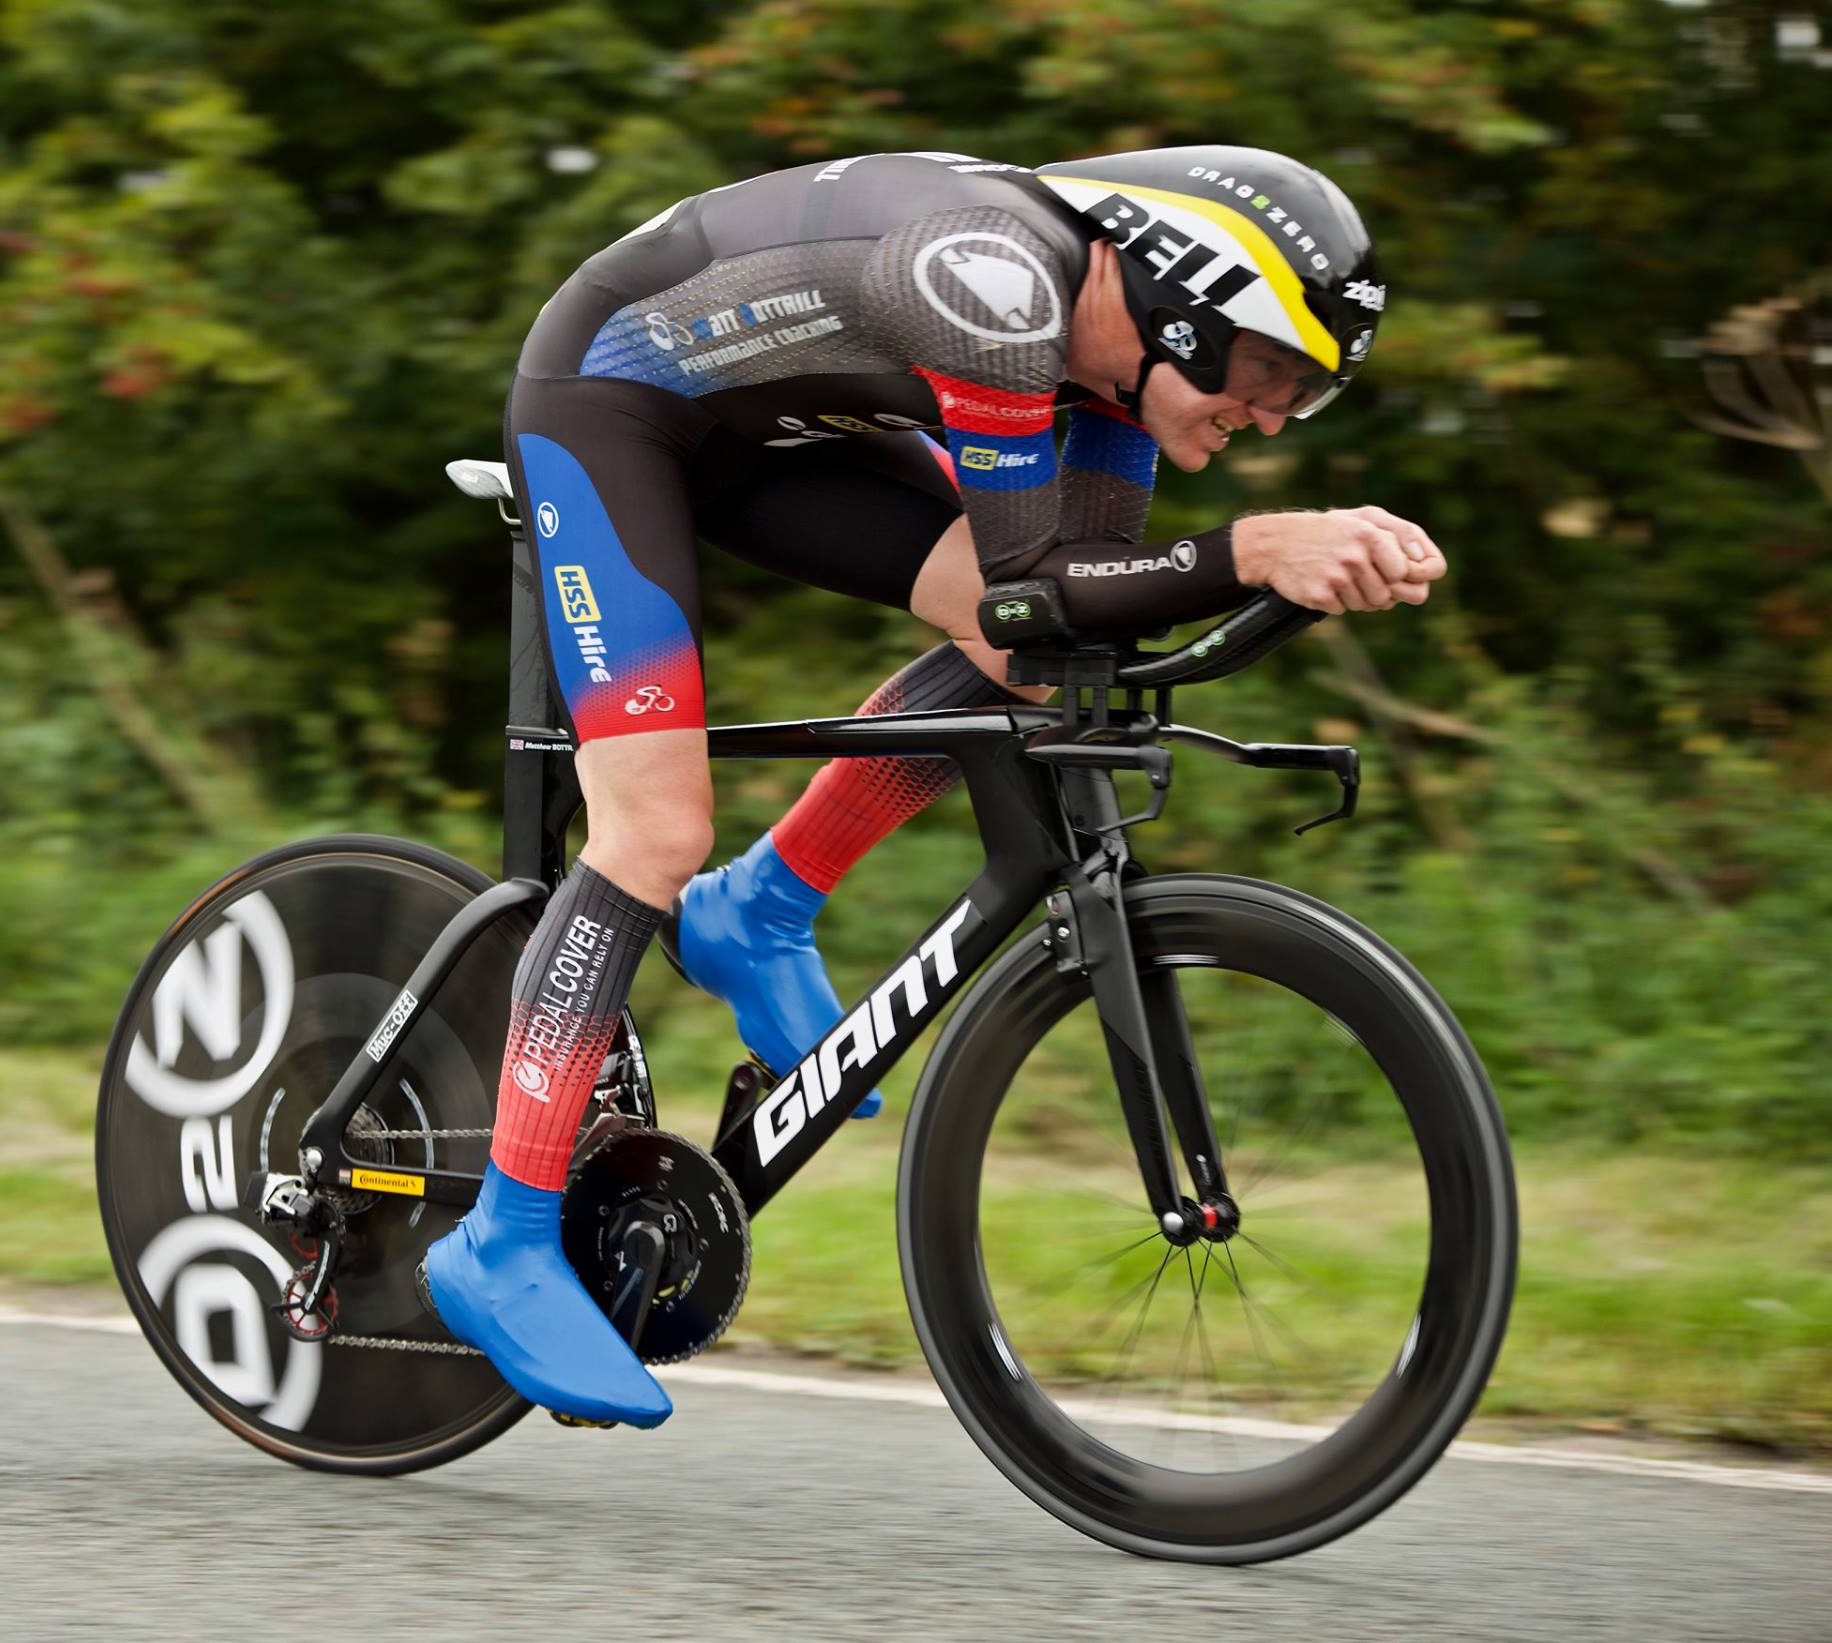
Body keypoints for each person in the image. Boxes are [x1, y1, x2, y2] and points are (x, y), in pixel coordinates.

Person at [421, 144, 1446, 1427]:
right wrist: (1252, 548)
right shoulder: (991, 282)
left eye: (1309, 396)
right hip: (610, 406)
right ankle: (503, 1239)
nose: (1277, 414)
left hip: (770, 431)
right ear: (1187, 293)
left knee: (1030, 662)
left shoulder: (1107, 375)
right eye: (1271, 372)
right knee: (653, 823)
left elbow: (1055, 614)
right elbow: (1033, 577)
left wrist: (1250, 571)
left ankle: (761, 908)